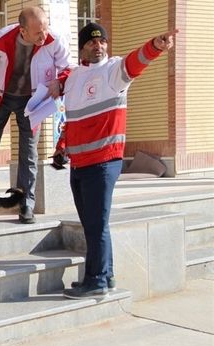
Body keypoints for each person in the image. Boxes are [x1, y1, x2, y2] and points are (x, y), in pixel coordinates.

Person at [55, 23, 178, 299]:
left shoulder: (113, 71)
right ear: (83, 47)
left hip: (103, 162)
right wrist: (62, 146)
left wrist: (155, 46)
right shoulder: (75, 77)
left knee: (97, 223)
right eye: (92, 42)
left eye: (102, 42)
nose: (98, 46)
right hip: (79, 163)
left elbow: (136, 62)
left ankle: (96, 280)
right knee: (91, 223)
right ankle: (105, 275)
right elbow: (72, 119)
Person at [0, 6, 70, 223]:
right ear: (22, 30)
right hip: (0, 97)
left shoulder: (55, 41)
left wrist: (60, 81)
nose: (43, 36)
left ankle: (25, 202)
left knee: (28, 151)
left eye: (45, 29)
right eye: (38, 32)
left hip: (32, 100)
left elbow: (67, 68)